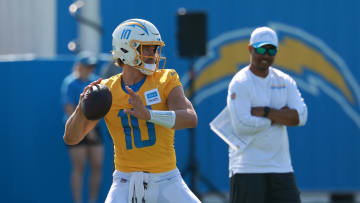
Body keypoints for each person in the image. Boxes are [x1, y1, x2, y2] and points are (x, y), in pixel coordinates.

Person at [63, 19, 201, 203]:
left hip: (167, 178)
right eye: (146, 48)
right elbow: (71, 138)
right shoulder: (107, 91)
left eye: (154, 48)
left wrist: (149, 115)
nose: (153, 54)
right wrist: (81, 108)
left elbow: (190, 118)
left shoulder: (166, 79)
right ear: (126, 50)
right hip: (125, 180)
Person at [221, 27, 308, 203]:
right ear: (250, 49)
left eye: (271, 50)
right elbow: (241, 125)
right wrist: (278, 118)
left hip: (281, 167)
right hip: (247, 168)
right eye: (261, 49)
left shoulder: (285, 81)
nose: (265, 55)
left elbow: (301, 117)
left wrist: (266, 112)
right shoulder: (240, 83)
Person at [61, 52, 104, 203]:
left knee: (97, 164)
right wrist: (86, 129)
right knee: (79, 166)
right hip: (76, 128)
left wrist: (91, 128)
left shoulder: (95, 82)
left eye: (92, 67)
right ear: (79, 66)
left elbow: (100, 108)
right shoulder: (70, 83)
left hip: (93, 127)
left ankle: (93, 200)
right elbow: (69, 109)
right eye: (87, 66)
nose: (90, 69)